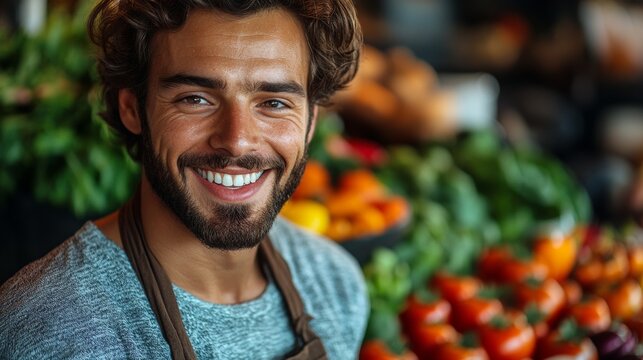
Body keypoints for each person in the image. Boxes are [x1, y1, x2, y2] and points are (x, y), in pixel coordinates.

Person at [0, 1, 368, 359]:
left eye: (274, 103)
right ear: (133, 110)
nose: (237, 140)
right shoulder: (48, 330)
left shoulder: (335, 284)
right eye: (196, 99)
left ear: (310, 122)